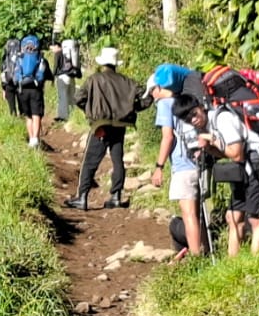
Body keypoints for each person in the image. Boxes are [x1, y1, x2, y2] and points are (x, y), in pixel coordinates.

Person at [175, 93, 259, 257]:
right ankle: (233, 263)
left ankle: (254, 265)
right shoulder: (209, 124)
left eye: (194, 114)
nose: (193, 120)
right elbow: (227, 153)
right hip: (243, 167)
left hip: (257, 162)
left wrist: (212, 139)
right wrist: (208, 148)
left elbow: (236, 154)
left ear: (201, 106)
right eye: (187, 119)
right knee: (233, 217)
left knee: (257, 219)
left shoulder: (223, 119)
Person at [65, 46, 149, 210]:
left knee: (90, 161)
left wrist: (90, 112)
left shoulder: (94, 80)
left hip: (100, 125)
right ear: (116, 64)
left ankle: (82, 197)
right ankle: (116, 196)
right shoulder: (128, 82)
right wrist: (131, 110)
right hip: (120, 125)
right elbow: (144, 100)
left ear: (102, 63)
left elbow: (78, 98)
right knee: (118, 160)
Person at [149, 76, 203, 257]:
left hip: (183, 165)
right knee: (199, 213)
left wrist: (159, 166)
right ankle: (204, 248)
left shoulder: (165, 104)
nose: (152, 96)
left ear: (158, 87)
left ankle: (197, 258)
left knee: (188, 215)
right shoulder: (186, 100)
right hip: (200, 163)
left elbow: (168, 137)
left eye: (151, 92)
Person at [15, 35, 51, 147]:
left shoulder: (20, 58)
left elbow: (16, 75)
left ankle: (31, 138)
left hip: (22, 89)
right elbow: (44, 74)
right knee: (36, 114)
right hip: (36, 89)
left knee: (28, 115)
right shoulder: (40, 58)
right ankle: (36, 138)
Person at [54, 38, 81, 123]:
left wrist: (53, 76)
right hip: (72, 77)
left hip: (62, 77)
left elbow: (55, 67)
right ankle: (73, 115)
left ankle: (63, 116)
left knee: (63, 97)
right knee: (72, 96)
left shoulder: (58, 54)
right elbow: (77, 65)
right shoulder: (73, 53)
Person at [0, 37, 22, 118]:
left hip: (8, 83)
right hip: (20, 83)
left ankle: (14, 123)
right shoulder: (21, 56)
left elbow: (2, 73)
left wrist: (3, 89)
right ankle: (24, 123)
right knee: (22, 107)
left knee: (12, 108)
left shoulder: (5, 58)